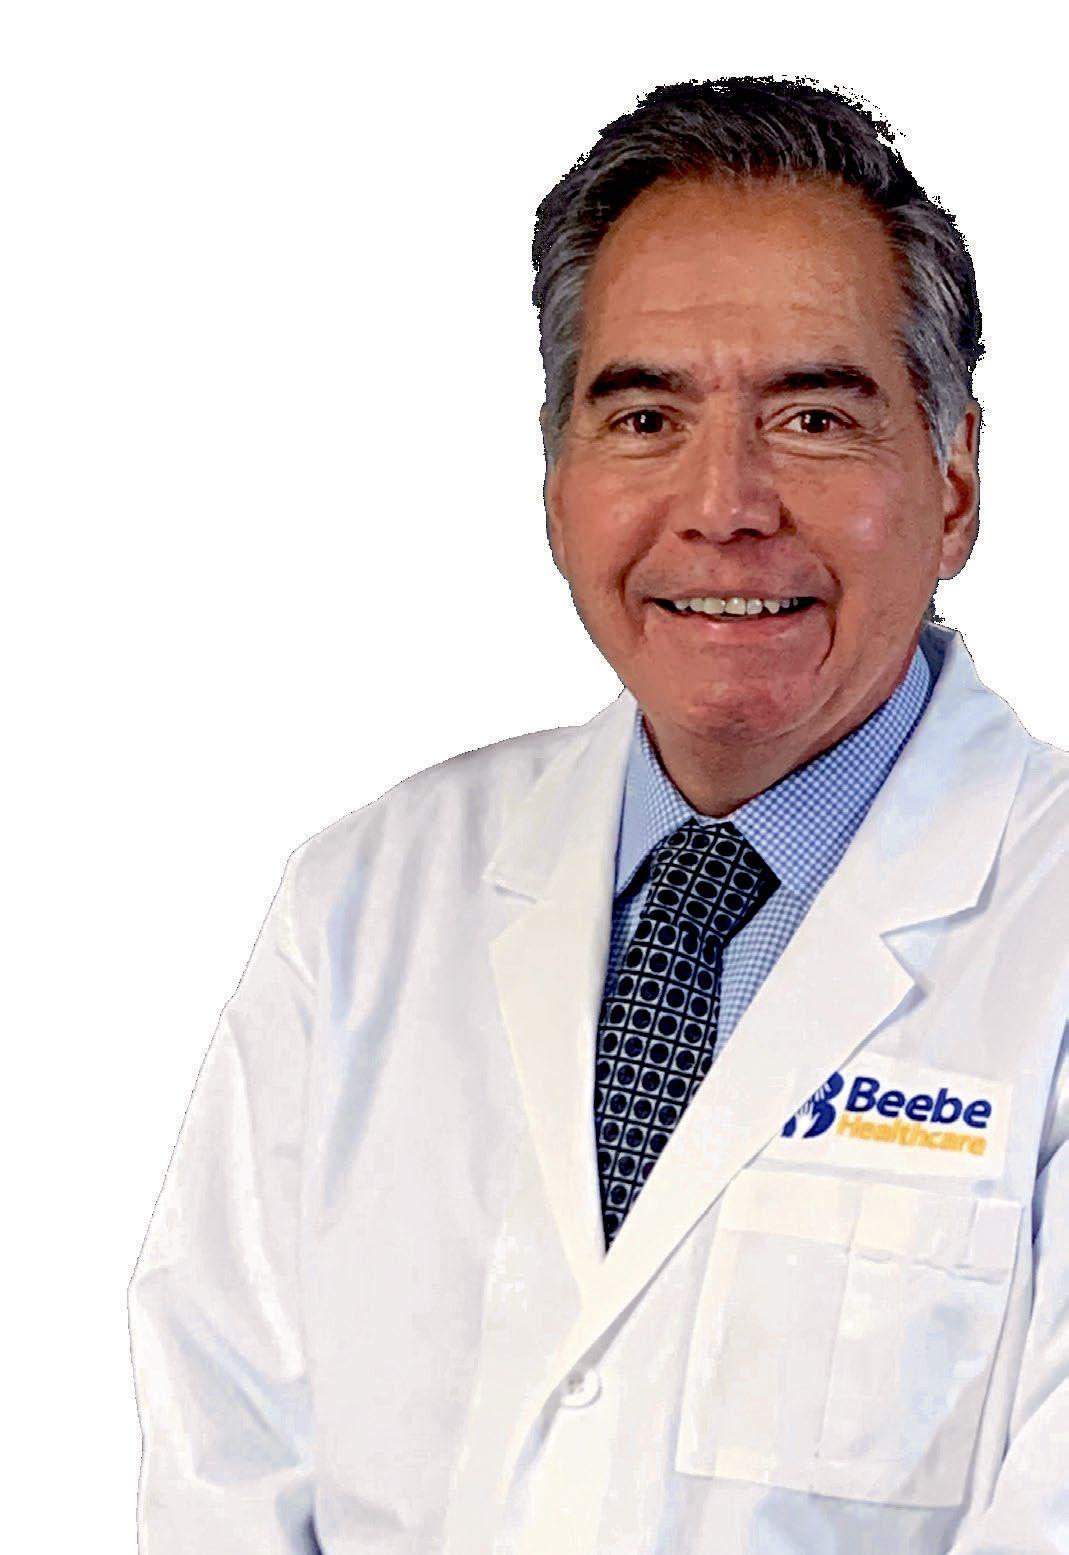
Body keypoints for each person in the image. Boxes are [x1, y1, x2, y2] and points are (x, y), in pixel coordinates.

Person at [127, 77, 1068, 1554]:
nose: (725, 503)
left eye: (814, 417)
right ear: (559, 482)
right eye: (643, 416)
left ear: (953, 481)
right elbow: (220, 1468)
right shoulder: (366, 901)